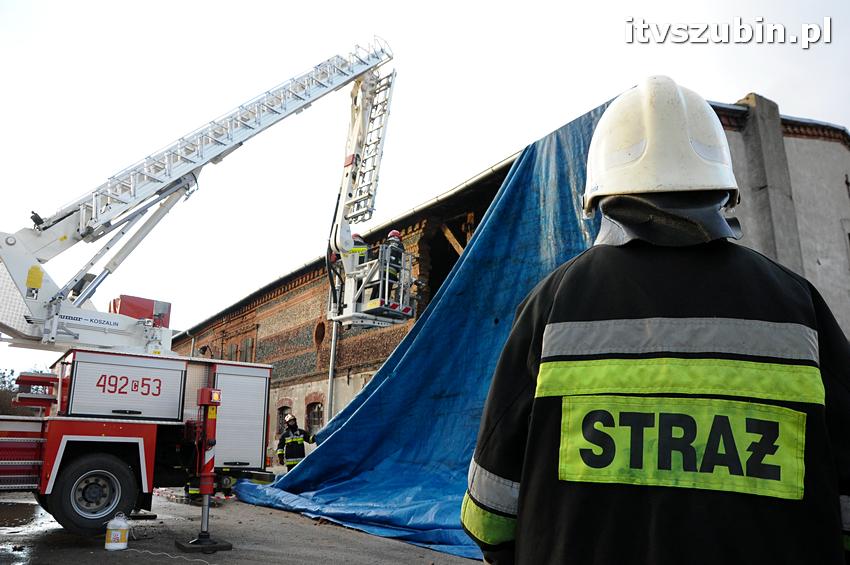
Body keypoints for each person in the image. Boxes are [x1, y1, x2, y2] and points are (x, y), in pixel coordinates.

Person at [460, 75, 850, 565]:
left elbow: (490, 515)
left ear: (601, 198)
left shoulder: (552, 305)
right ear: (722, 192)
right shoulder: (801, 308)